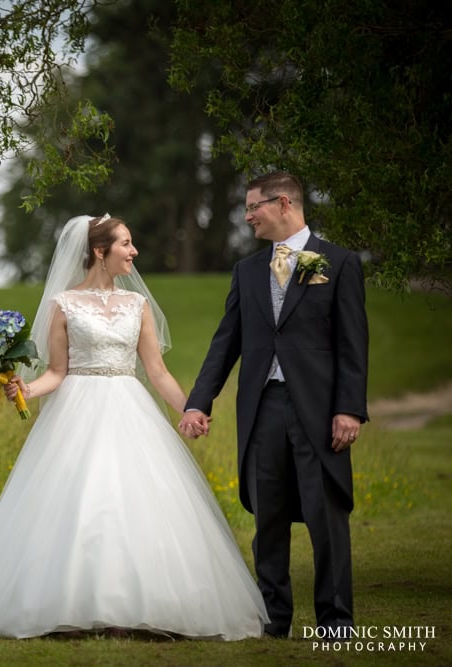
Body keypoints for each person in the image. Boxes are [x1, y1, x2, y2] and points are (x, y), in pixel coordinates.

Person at [0, 214, 268, 640]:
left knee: (135, 502)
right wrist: (25, 390)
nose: (134, 252)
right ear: (99, 251)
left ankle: (134, 608)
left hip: (130, 408)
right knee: (81, 502)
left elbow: (158, 371)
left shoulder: (137, 306)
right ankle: (70, 606)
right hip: (76, 409)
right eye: (126, 244)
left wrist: (192, 409)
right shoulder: (63, 304)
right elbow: (56, 372)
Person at [178, 171, 369, 638]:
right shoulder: (246, 271)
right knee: (269, 517)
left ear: (284, 203)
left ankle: (336, 622)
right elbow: (226, 343)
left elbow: (352, 343)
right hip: (262, 408)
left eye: (253, 207)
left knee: (326, 518)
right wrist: (198, 402)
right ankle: (273, 618)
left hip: (320, 411)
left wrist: (349, 408)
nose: (247, 217)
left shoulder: (338, 263)